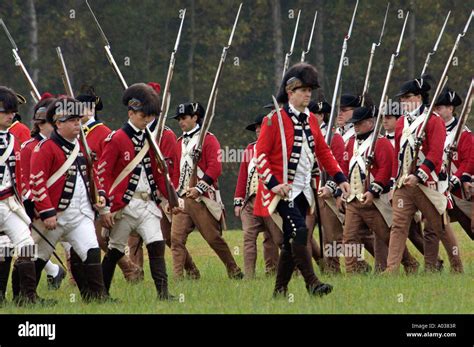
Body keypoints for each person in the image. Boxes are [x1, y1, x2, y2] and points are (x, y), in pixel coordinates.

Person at [255, 63, 350, 297]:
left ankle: (279, 290)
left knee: (290, 242)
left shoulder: (311, 120)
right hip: (280, 192)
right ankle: (312, 283)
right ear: (290, 92)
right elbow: (259, 156)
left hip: (303, 191)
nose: (308, 94)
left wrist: (340, 178)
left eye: (310, 90)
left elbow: (323, 152)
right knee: (298, 232)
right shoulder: (273, 120)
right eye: (303, 90)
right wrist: (274, 183)